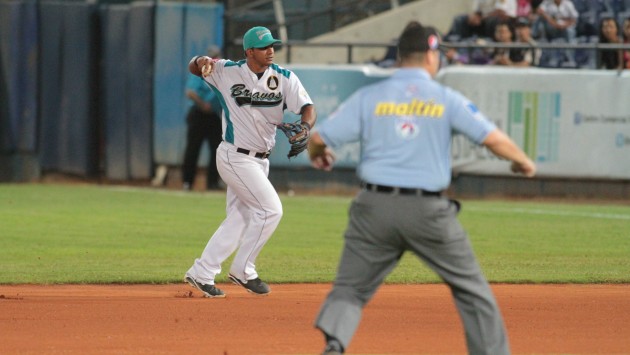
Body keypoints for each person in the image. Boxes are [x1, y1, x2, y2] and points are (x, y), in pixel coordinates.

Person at [309, 23, 536, 355]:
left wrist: (320, 155)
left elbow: (317, 139)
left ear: (399, 57)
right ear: (432, 55)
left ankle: (335, 343)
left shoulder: (370, 96)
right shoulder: (444, 98)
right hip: (428, 211)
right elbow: (493, 139)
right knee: (472, 291)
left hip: (373, 208)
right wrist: (524, 162)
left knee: (350, 289)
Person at [184, 26, 316, 297]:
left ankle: (202, 272)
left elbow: (307, 107)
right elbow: (194, 67)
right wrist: (201, 62)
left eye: (272, 46)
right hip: (235, 156)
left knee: (241, 218)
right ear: (249, 52)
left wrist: (305, 126)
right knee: (271, 210)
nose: (270, 51)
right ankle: (244, 270)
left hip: (259, 161)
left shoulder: (283, 78)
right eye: (264, 46)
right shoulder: (227, 71)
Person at [182, 45, 224, 191]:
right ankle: (187, 182)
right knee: (193, 148)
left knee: (218, 150)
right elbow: (190, 92)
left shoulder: (223, 74)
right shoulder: (200, 72)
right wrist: (202, 104)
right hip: (199, 114)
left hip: (213, 115)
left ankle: (213, 182)